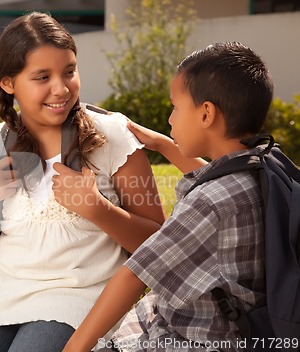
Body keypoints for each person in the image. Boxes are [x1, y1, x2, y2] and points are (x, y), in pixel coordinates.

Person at [0, 11, 166, 352]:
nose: (61, 89)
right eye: (42, 77)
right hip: (2, 294)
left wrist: (98, 210)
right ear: (8, 83)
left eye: (69, 72)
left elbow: (159, 247)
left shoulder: (113, 137)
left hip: (81, 293)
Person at [63, 41, 274, 352]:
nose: (171, 119)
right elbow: (217, 173)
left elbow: (134, 275)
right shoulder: (260, 166)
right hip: (241, 324)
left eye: (175, 107)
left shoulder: (209, 203)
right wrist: (163, 144)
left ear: (206, 114)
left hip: (196, 336)